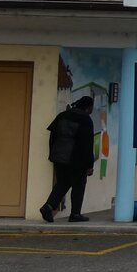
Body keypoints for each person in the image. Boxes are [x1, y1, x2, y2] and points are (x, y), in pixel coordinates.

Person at [40, 95, 96, 223]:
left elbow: (52, 136)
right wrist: (89, 164)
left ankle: (48, 207)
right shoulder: (85, 120)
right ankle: (75, 214)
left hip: (59, 156)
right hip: (77, 159)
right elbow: (87, 144)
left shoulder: (62, 115)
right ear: (88, 108)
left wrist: (53, 154)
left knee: (62, 183)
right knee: (79, 185)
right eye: (92, 107)